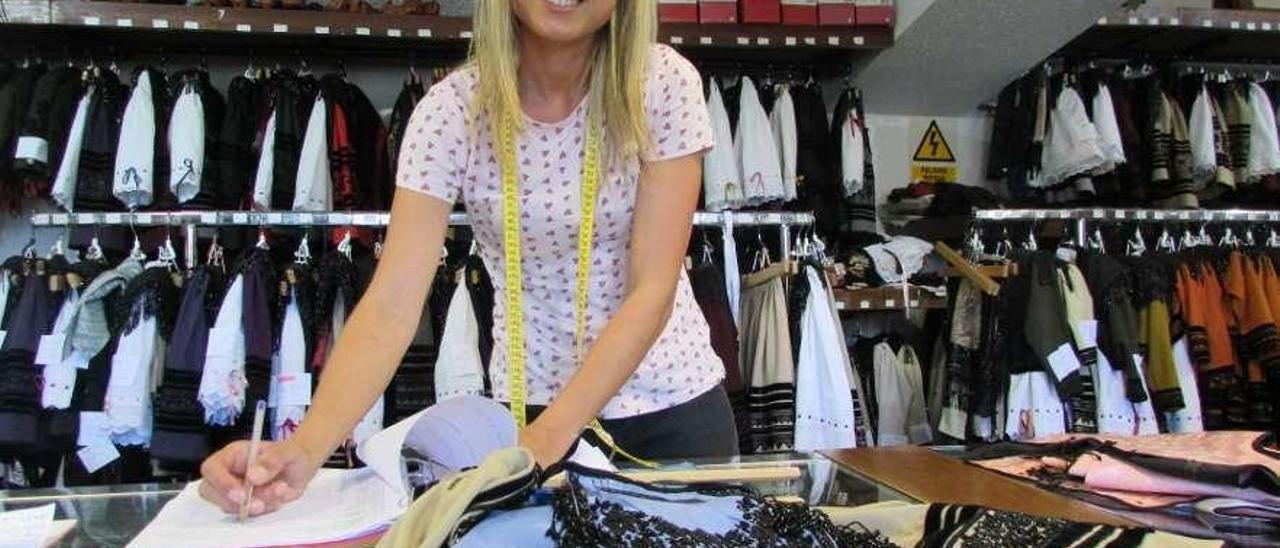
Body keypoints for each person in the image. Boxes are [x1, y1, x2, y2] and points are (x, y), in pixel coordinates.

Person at [198, 0, 735, 516]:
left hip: (669, 410)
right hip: (528, 414)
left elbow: (653, 287)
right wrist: (303, 451)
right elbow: (392, 302)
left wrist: (546, 441)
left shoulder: (663, 85)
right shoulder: (450, 112)